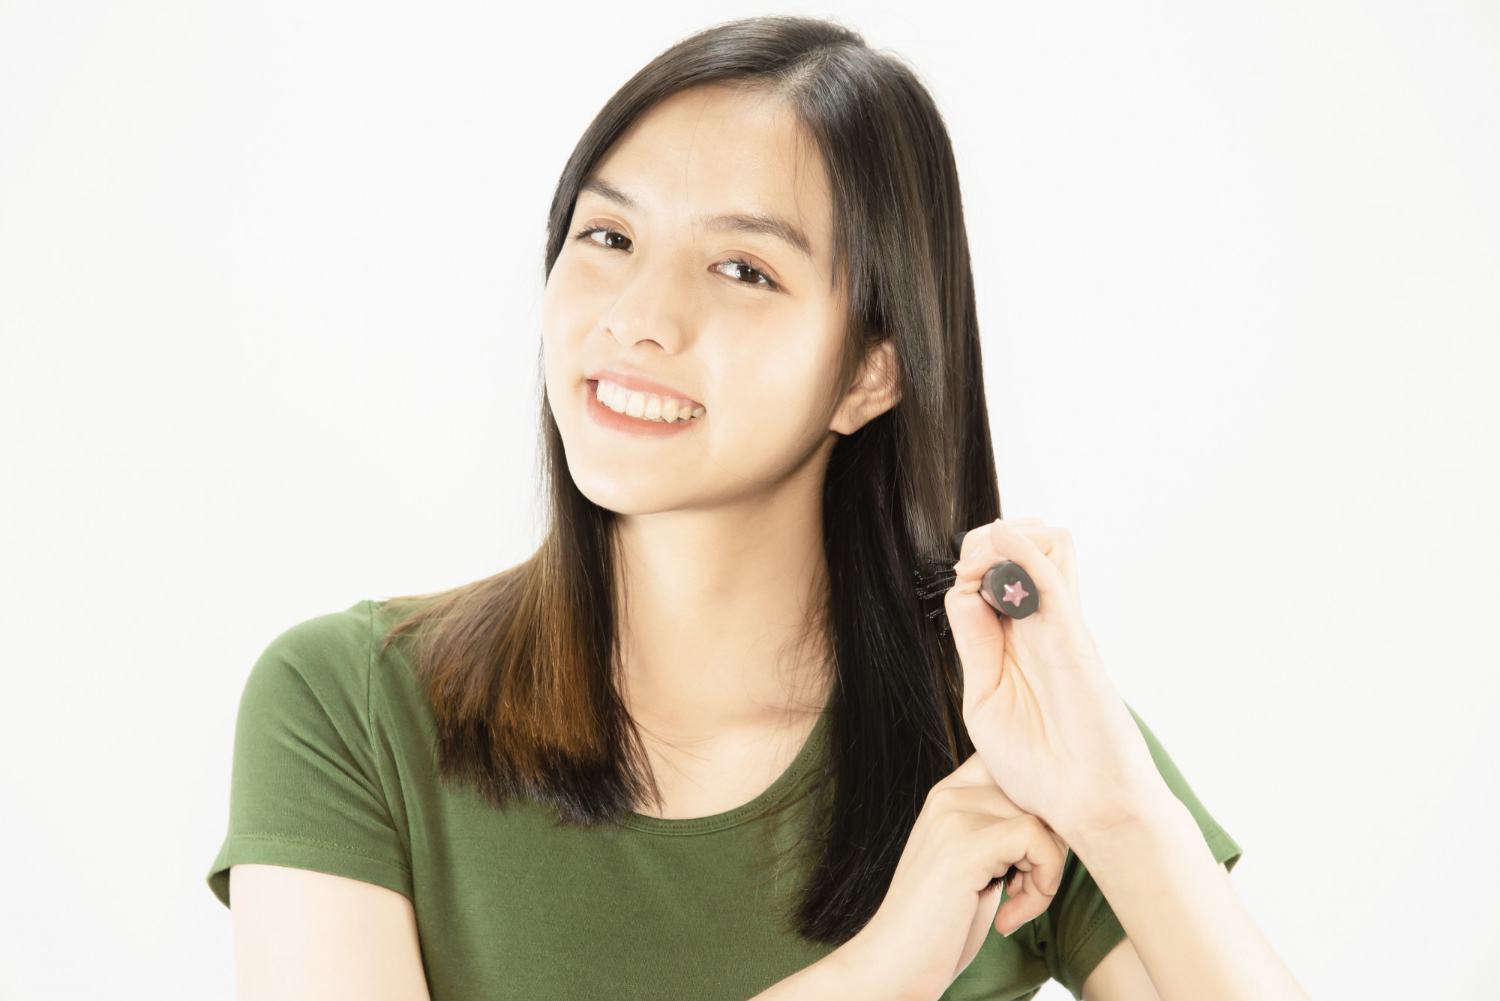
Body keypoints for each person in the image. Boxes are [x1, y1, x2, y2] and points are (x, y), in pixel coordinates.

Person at [209, 17, 1309, 1001]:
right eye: (609, 238)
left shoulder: (998, 731)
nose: (640, 317)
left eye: (741, 268)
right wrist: (885, 967)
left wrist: (1120, 812)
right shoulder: (350, 704)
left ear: (870, 374)